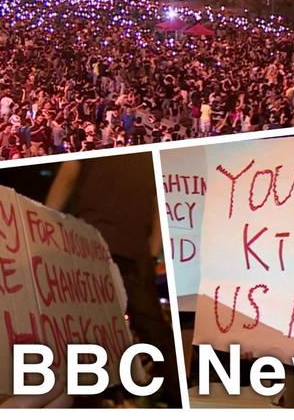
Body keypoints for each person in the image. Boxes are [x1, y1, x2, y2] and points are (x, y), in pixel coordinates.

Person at [45, 155, 181, 407]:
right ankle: (173, 399)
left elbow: (67, 176)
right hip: (132, 250)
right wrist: (151, 252)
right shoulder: (149, 159)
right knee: (156, 333)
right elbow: (158, 203)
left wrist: (44, 224)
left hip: (91, 244)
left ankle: (96, 400)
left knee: (87, 330)